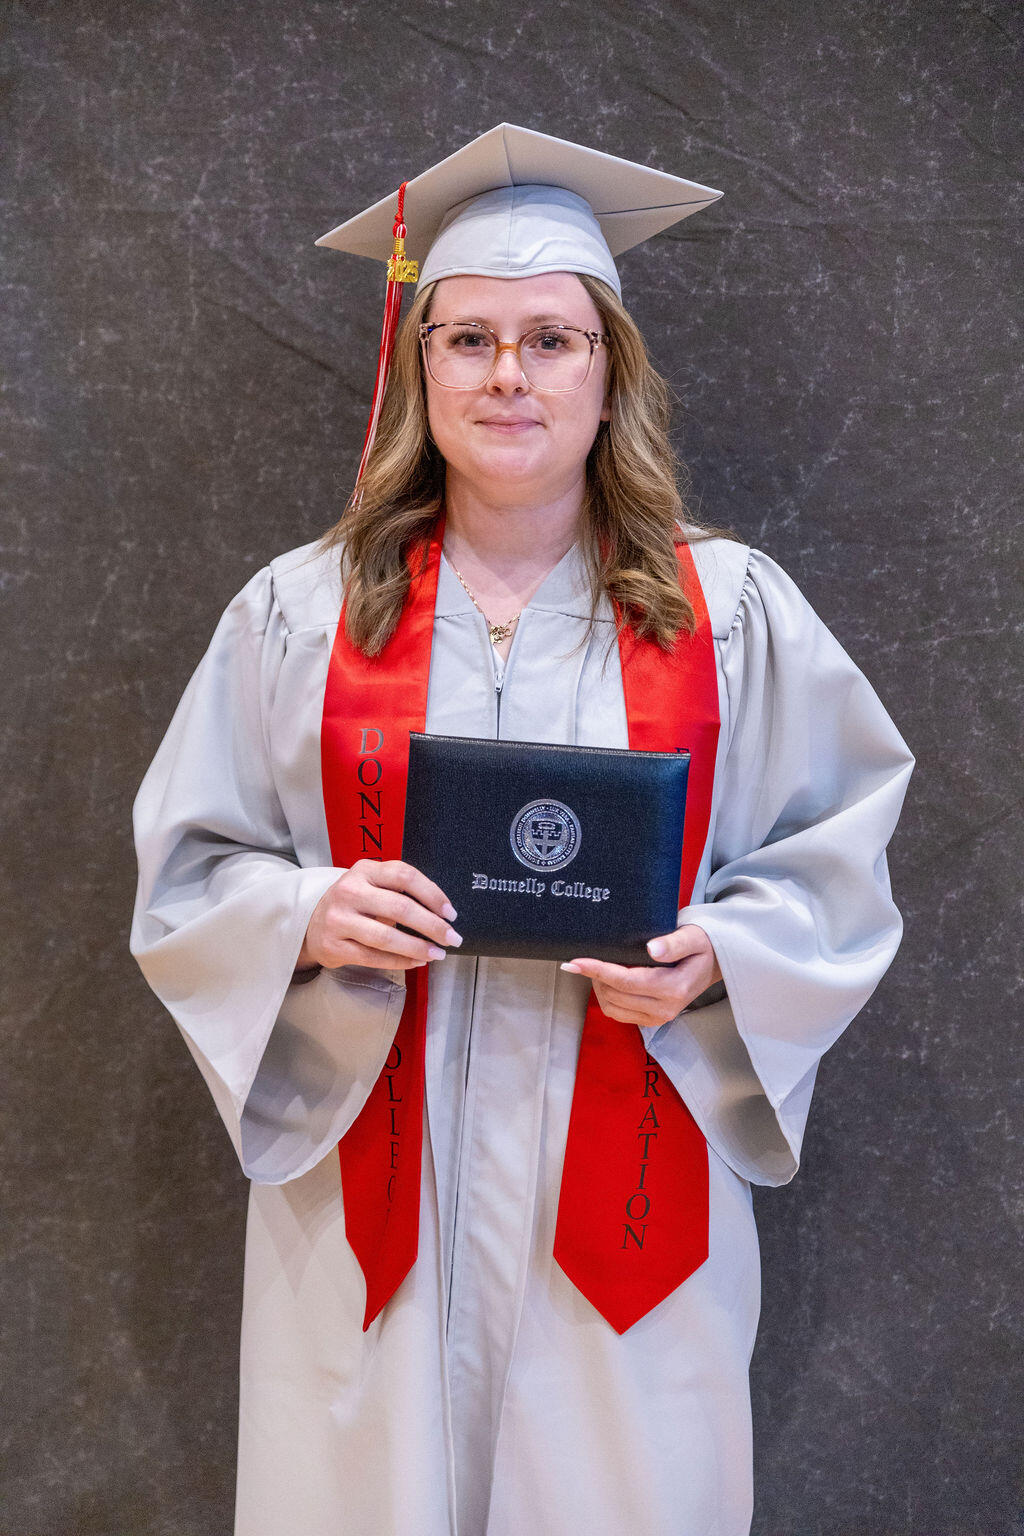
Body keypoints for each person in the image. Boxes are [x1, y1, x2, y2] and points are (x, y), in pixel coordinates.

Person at [130, 124, 915, 1536]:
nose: (509, 374)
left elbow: (834, 857)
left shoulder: (730, 612)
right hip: (371, 1186)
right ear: (418, 368)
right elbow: (191, 871)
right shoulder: (301, 611)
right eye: (470, 339)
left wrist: (726, 958)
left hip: (626, 1196)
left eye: (551, 340)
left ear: (610, 372)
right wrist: (304, 915)